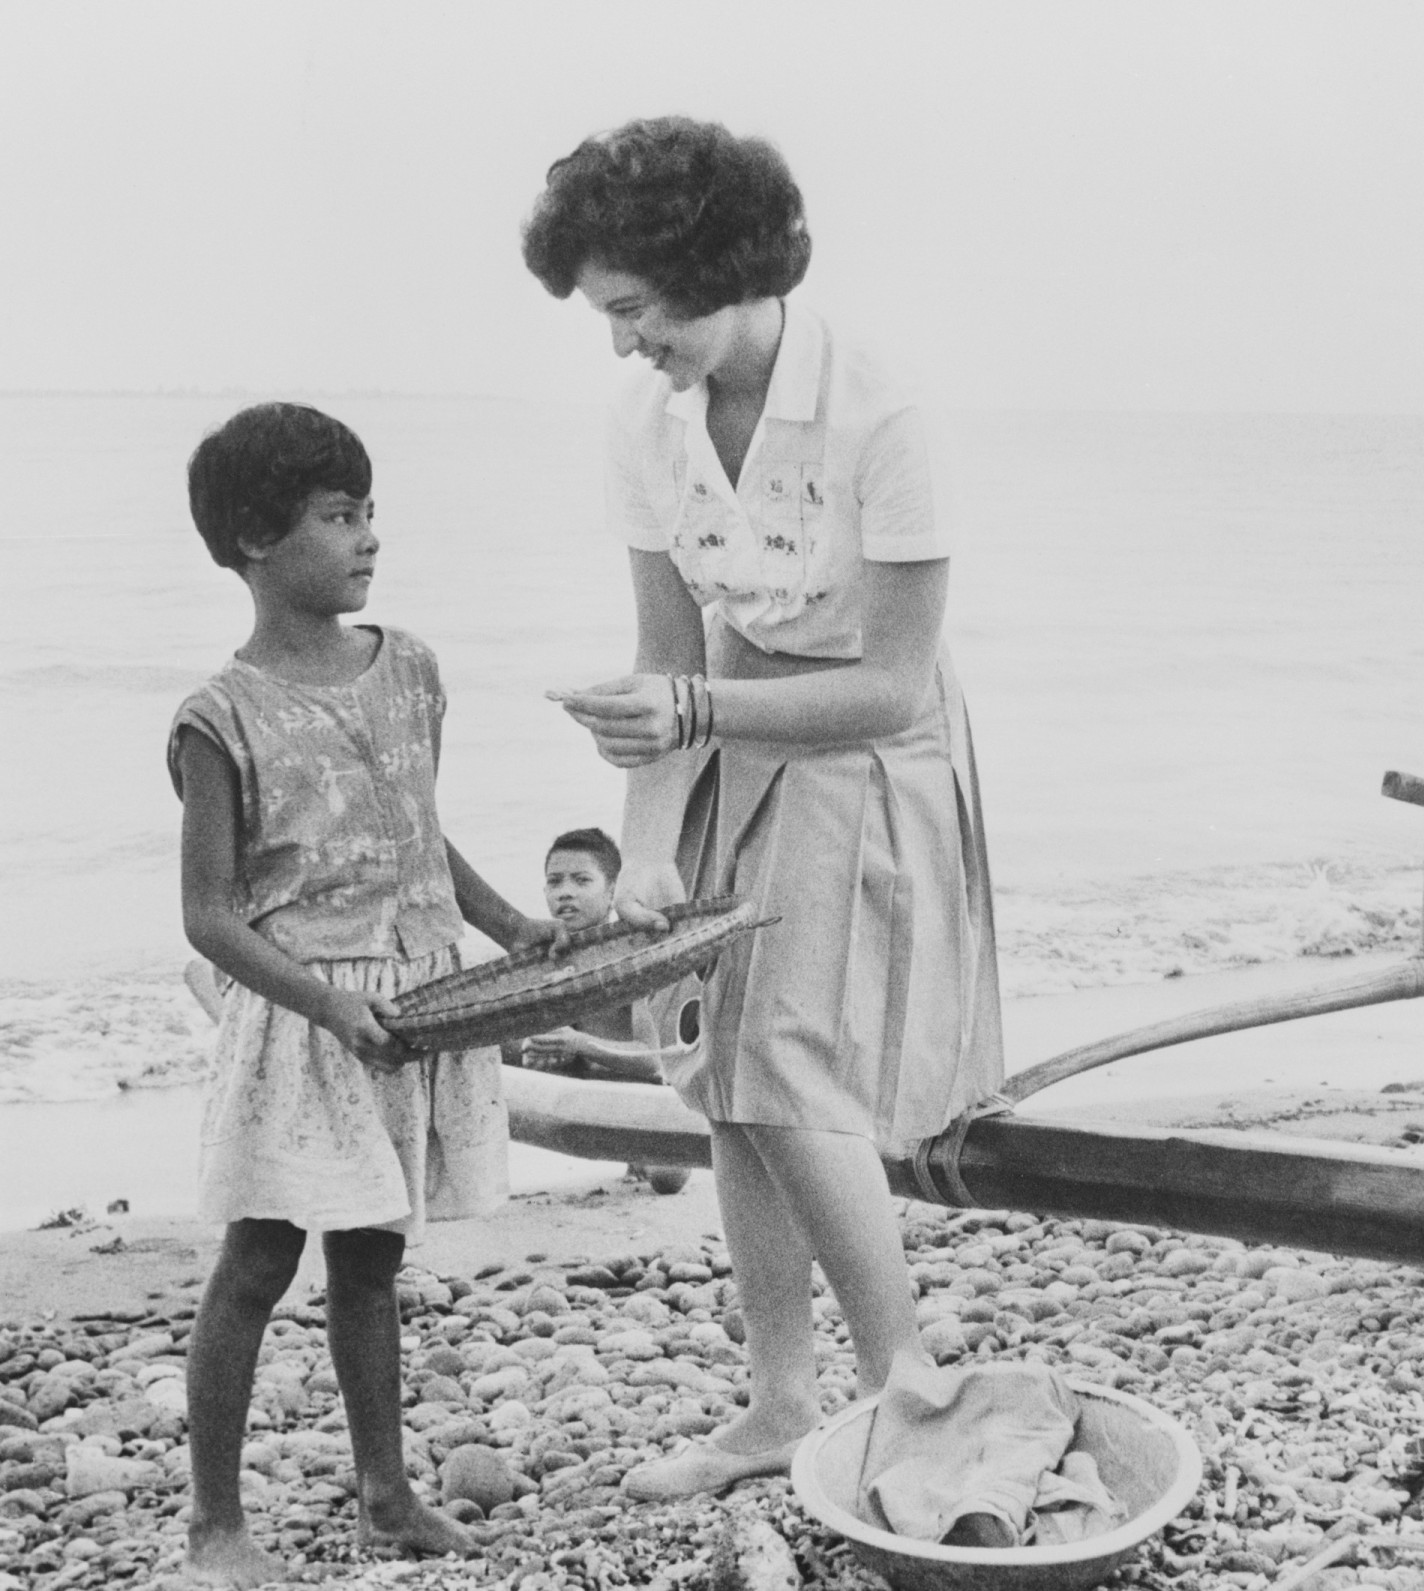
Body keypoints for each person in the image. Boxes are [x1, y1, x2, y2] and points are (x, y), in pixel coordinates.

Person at [522, 116, 1004, 1501]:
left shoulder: (880, 408)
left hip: (872, 745)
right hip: (732, 727)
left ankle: (907, 1388)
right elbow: (670, 657)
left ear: (716, 265)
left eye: (632, 308)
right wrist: (654, 852)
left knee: (784, 1058)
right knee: (732, 1081)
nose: (622, 342)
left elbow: (892, 685)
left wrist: (694, 718)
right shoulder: (647, 420)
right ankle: (782, 1401)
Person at [169, 402, 559, 1586]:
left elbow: (421, 836)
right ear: (251, 538)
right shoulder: (217, 717)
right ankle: (214, 1524)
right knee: (258, 1257)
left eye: (369, 512)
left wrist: (510, 928)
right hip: (307, 1020)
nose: (368, 537)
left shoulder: (414, 669)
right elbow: (211, 916)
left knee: (373, 1259)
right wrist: (326, 1004)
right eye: (339, 516)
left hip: (417, 1003)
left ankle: (386, 1493)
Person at [515, 826, 695, 1195]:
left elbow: (650, 1061)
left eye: (582, 881)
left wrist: (579, 1044)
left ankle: (639, 1153)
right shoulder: (541, 956)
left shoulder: (625, 957)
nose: (565, 892)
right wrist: (533, 1051)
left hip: (635, 1091)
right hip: (580, 1086)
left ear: (613, 892)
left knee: (667, 1180)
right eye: (555, 882)